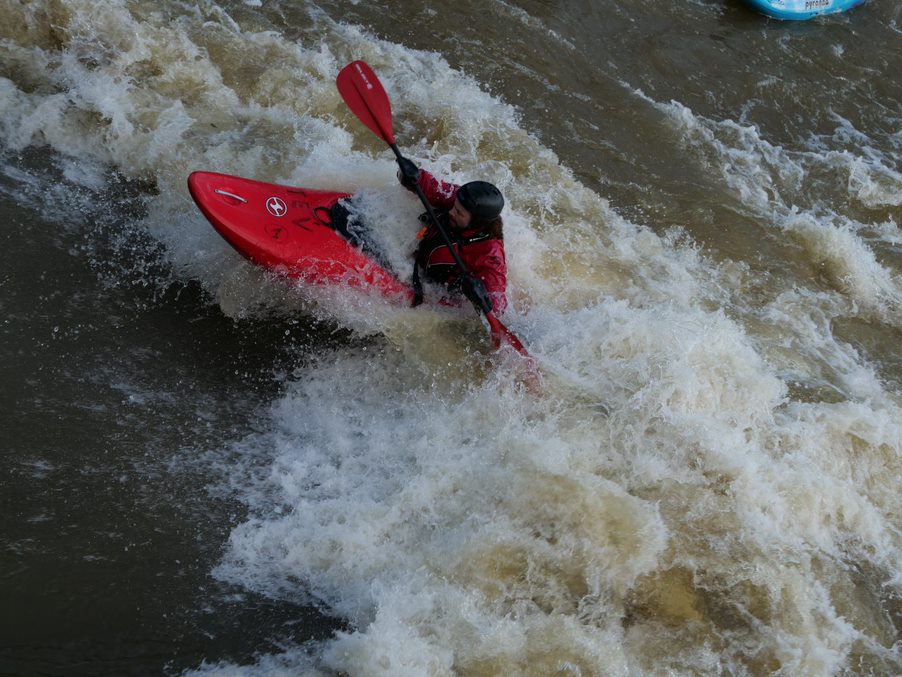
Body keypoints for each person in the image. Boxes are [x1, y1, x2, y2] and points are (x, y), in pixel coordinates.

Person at [396, 157, 508, 315]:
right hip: (415, 260)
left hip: (435, 290)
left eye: (459, 213)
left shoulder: (489, 254)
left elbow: (498, 307)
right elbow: (432, 187)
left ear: (477, 222)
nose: (451, 211)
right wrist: (412, 175)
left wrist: (482, 298)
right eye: (454, 207)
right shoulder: (460, 200)